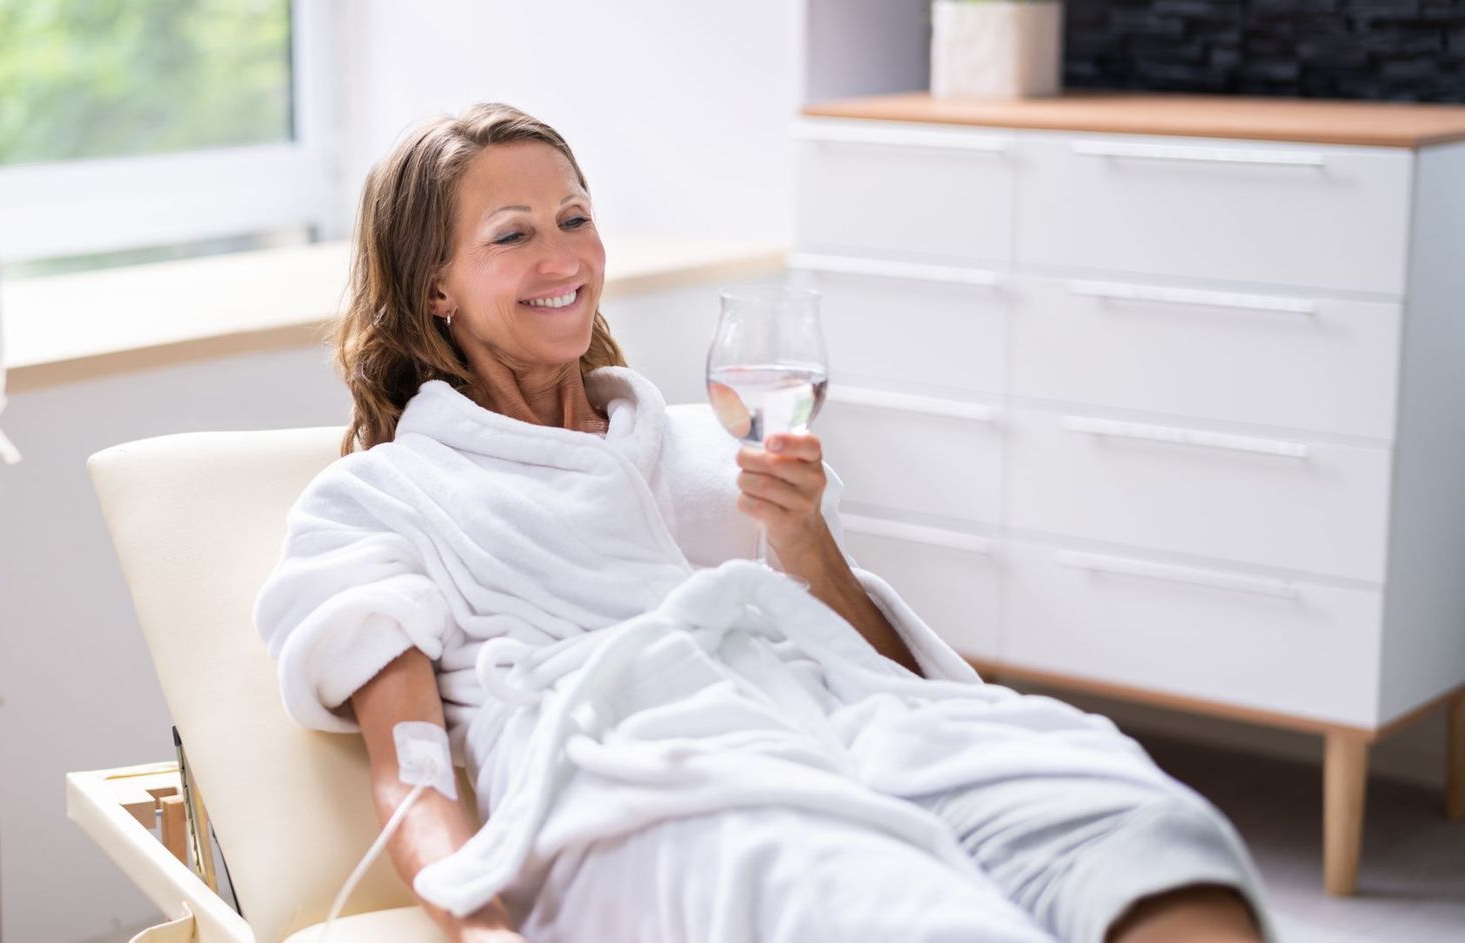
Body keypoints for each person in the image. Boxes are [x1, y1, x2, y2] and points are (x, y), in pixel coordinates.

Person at [254, 102, 1271, 943]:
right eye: (513, 234)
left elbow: (890, 674)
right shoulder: (383, 497)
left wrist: (805, 539)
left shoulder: (701, 440)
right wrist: (475, 922)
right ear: (436, 287)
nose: (563, 255)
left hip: (853, 722)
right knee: (904, 911)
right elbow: (411, 767)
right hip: (657, 784)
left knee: (1130, 824)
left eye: (575, 217)